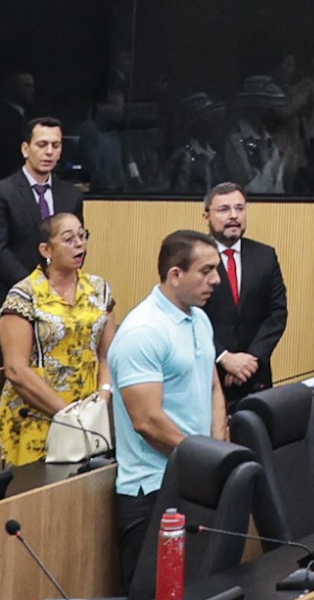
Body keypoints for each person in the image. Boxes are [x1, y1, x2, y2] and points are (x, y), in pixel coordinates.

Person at [107, 228, 231, 514]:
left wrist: (217, 452)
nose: (216, 279)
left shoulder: (200, 318)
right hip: (154, 487)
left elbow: (213, 387)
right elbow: (147, 421)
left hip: (197, 476)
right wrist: (204, 460)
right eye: (206, 271)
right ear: (175, 275)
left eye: (216, 269)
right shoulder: (143, 331)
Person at [0, 208, 114, 475]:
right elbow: (16, 369)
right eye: (69, 239)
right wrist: (69, 416)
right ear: (46, 249)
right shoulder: (24, 295)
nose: (79, 244)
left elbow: (107, 355)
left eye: (82, 236)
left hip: (90, 416)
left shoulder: (99, 289)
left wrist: (102, 398)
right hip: (36, 414)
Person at [0, 112, 80, 319]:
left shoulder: (71, 194)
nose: (49, 152)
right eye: (42, 145)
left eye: (56, 146)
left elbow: (76, 244)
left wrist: (60, 288)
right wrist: (38, 288)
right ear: (25, 149)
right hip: (10, 300)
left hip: (60, 304)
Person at [191, 180, 287, 386]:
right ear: (206, 216)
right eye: (224, 209)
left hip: (254, 374)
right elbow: (187, 315)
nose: (234, 216)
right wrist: (223, 357)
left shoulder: (265, 256)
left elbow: (277, 313)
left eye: (240, 208)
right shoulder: (193, 258)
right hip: (208, 374)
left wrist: (251, 360)